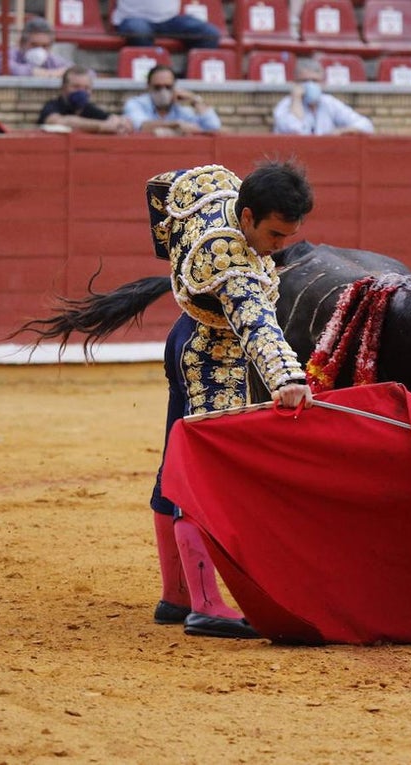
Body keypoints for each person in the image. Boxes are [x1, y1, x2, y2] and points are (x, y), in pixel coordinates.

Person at [147, 160, 315, 639]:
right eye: (275, 234)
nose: (280, 246)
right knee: (203, 477)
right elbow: (257, 324)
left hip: (183, 335)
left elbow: (166, 186)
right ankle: (205, 606)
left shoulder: (216, 190)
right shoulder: (233, 263)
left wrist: (172, 257)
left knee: (175, 464)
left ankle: (177, 595)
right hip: (212, 359)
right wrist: (287, 377)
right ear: (247, 217)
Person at [272, 58, 374, 136]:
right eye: (305, 81)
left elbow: (366, 125)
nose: (310, 84)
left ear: (323, 83)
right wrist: (296, 100)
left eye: (315, 81)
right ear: (295, 83)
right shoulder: (285, 105)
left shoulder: (329, 102)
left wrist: (341, 131)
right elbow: (296, 130)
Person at [123, 64, 220, 135]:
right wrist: (176, 125)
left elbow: (213, 126)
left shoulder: (181, 110)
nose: (163, 91)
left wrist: (194, 99)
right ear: (148, 86)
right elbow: (141, 127)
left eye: (168, 87)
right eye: (157, 87)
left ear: (174, 87)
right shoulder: (135, 104)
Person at [38, 66, 133, 134]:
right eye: (76, 87)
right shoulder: (53, 105)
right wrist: (100, 126)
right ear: (63, 88)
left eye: (86, 88)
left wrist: (120, 123)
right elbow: (57, 121)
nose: (81, 92)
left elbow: (113, 120)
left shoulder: (89, 108)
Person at [110, 0, 221, 49]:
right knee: (139, 32)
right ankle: (153, 77)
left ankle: (186, 80)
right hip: (133, 17)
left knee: (209, 34)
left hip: (170, 19)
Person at [0, 17, 71, 78]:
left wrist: (49, 74)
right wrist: (33, 72)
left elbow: (72, 70)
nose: (39, 50)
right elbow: (2, 67)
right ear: (22, 43)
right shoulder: (9, 54)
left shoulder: (50, 59)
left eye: (44, 46)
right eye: (34, 45)